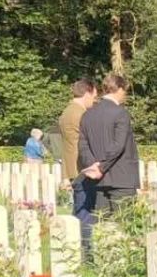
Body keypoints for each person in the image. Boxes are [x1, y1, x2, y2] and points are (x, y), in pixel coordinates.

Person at [77, 72, 137, 247]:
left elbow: (83, 145)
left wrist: (93, 166)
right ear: (119, 89)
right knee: (125, 224)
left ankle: (105, 263)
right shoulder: (121, 113)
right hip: (121, 178)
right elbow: (119, 145)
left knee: (103, 226)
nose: (125, 95)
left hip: (98, 180)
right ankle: (125, 264)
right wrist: (102, 167)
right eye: (125, 90)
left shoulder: (87, 114)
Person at [57, 78, 96, 219]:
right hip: (83, 167)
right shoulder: (81, 114)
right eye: (93, 96)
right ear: (86, 93)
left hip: (72, 168)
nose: (94, 101)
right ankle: (85, 241)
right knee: (86, 214)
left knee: (80, 211)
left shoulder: (66, 112)